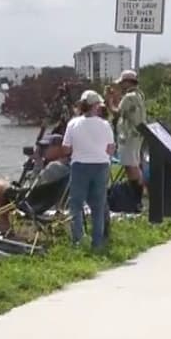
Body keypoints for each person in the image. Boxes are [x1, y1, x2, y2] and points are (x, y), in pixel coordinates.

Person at [0, 134, 71, 235]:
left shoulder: (55, 166)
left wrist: (37, 163)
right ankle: (6, 226)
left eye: (46, 147)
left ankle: (4, 227)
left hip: (32, 203)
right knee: (5, 184)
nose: (43, 150)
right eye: (41, 147)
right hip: (45, 201)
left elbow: (33, 185)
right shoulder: (70, 165)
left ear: (60, 148)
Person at [62, 91, 114, 251]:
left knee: (76, 205)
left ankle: (78, 240)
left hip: (80, 166)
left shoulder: (73, 124)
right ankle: (97, 243)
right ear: (96, 106)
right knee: (98, 207)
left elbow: (65, 148)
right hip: (101, 165)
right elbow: (111, 149)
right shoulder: (105, 125)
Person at [107, 69, 147, 193]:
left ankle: (135, 191)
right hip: (137, 135)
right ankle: (138, 190)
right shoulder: (139, 95)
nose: (120, 86)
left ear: (128, 82)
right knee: (134, 163)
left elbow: (117, 113)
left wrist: (109, 101)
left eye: (122, 83)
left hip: (129, 136)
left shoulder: (129, 97)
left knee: (130, 165)